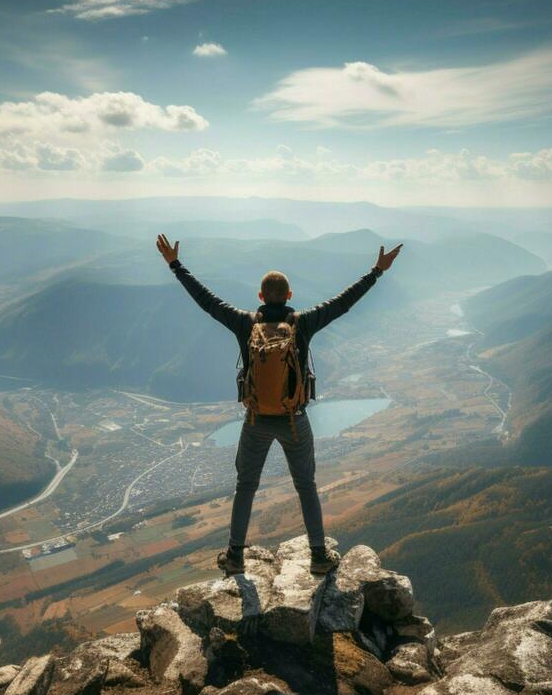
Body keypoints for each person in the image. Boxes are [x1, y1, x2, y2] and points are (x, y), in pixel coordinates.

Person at [156, 233, 402, 576]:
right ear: (289, 296)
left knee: (246, 486)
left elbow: (206, 300)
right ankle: (318, 556)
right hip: (293, 420)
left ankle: (235, 556)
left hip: (256, 421)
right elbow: (344, 301)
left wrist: (175, 265)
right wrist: (377, 271)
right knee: (306, 485)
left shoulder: (245, 323)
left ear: (260, 296)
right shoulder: (302, 323)